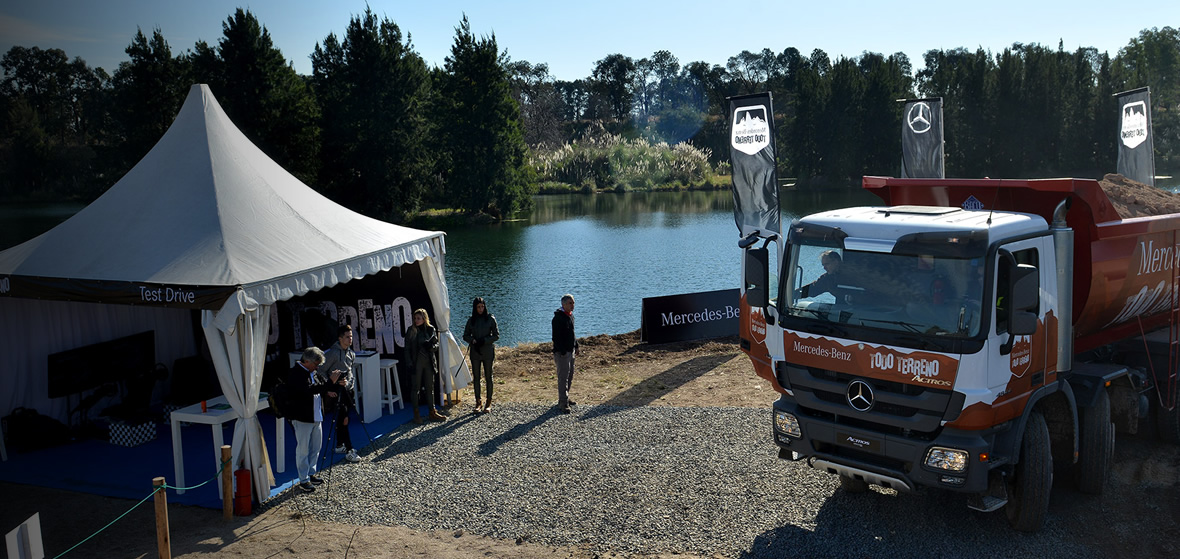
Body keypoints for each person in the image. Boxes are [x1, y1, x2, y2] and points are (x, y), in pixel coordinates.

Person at [286, 347, 343, 493]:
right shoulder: (296, 374)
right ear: (306, 361)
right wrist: (330, 383)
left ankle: (311, 473)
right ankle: (303, 479)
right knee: (303, 448)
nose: (317, 368)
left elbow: (321, 386)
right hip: (302, 417)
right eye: (315, 365)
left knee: (316, 446)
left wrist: (333, 384)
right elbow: (310, 390)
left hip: (316, 414)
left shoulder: (312, 372)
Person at [321, 325, 360, 463]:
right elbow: (320, 371)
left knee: (343, 418)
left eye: (351, 337)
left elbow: (350, 373)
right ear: (340, 338)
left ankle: (339, 445)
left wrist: (348, 384)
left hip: (347, 391)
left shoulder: (351, 354)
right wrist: (328, 387)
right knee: (344, 419)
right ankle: (349, 449)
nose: (350, 339)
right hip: (336, 392)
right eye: (347, 337)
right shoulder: (332, 353)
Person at [406, 308, 446, 424]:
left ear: (424, 319)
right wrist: (409, 363)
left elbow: (436, 344)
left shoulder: (430, 329)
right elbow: (407, 349)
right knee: (416, 388)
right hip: (416, 361)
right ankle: (416, 413)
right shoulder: (411, 330)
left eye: (419, 318)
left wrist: (431, 347)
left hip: (428, 361)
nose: (416, 320)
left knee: (430, 387)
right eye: (415, 318)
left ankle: (432, 412)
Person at [463, 297, 500, 414]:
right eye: (478, 307)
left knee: (489, 377)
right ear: (475, 308)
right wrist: (472, 340)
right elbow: (465, 335)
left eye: (482, 306)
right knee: (476, 378)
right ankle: (478, 402)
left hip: (488, 351)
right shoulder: (471, 320)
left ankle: (488, 402)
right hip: (475, 352)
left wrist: (485, 340)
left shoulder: (490, 319)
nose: (481, 309)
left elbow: (496, 335)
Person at [552, 293, 578, 413]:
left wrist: (576, 345)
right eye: (570, 303)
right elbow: (556, 338)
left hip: (571, 351)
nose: (572, 305)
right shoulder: (558, 318)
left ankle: (565, 397)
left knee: (570, 375)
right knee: (563, 377)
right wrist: (562, 351)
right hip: (562, 353)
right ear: (563, 304)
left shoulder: (570, 316)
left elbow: (572, 333)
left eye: (573, 303)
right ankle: (563, 403)